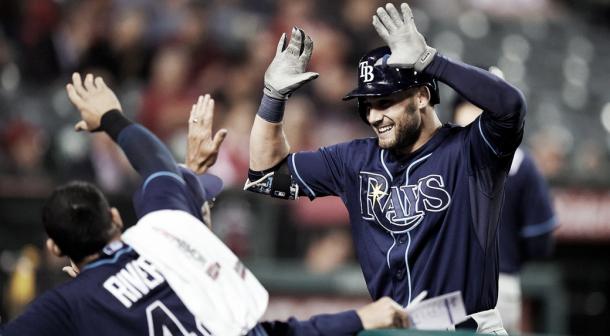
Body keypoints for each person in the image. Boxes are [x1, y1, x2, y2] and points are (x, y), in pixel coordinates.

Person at [0, 73, 409, 335]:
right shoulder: (163, 234)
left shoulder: (70, 305)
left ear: (54, 248)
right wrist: (111, 116)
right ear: (113, 217)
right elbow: (156, 163)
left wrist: (192, 176)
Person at [245, 3, 526, 334]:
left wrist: (431, 62)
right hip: (396, 329)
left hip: (465, 328)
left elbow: (510, 107)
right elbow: (265, 176)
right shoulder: (354, 159)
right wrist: (273, 97)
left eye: (384, 102)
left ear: (421, 96)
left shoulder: (472, 150)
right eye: (367, 105)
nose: (374, 116)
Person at [452, 90, 557, 333]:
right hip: (501, 283)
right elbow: (539, 242)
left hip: (445, 284)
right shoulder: (520, 162)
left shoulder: (436, 155)